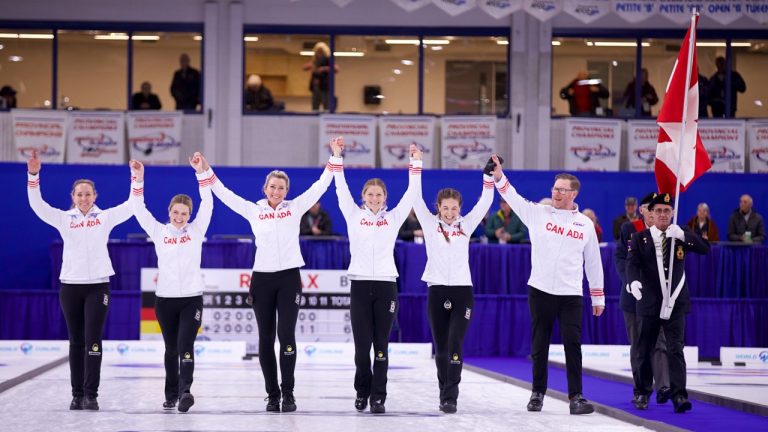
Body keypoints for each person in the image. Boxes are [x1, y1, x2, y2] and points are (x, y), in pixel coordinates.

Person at [195, 137, 343, 412]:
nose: (277, 191)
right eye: (273, 187)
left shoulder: (296, 208)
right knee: (265, 338)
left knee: (286, 336)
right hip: (262, 280)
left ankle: (288, 394)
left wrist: (335, 156)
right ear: (265, 188)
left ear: (287, 191)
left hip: (289, 278)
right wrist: (203, 170)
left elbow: (321, 185)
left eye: (281, 187)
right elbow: (224, 193)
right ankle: (272, 395)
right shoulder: (254, 210)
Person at [491, 156, 604, 415]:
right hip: (540, 290)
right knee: (539, 344)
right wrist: (499, 177)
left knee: (572, 344)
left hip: (570, 294)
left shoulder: (585, 225)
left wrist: (597, 297)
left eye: (562, 190)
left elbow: (593, 262)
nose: (556, 193)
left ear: (573, 193)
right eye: (554, 188)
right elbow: (514, 197)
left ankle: (576, 396)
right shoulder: (538, 214)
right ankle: (537, 393)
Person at [26, 150, 134, 411]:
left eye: (88, 194)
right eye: (79, 194)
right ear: (72, 198)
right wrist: (33, 175)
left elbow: (132, 206)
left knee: (93, 338)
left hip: (98, 286)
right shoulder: (65, 219)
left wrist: (137, 178)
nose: (84, 198)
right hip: (70, 286)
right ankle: (76, 394)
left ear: (95, 196)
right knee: (76, 340)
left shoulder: (104, 217)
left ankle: (91, 394)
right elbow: (37, 205)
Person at [334, 142, 421, 414]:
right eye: (370, 194)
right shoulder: (353, 214)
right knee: (362, 348)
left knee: (381, 346)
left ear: (385, 197)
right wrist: (337, 157)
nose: (374, 198)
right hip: (360, 284)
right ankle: (362, 391)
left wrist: (415, 164)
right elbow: (340, 188)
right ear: (363, 196)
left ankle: (378, 397)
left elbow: (412, 194)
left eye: (379, 195)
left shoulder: (393, 218)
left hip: (386, 285)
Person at [128, 154, 213, 413]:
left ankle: (186, 391)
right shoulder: (158, 232)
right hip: (164, 301)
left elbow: (208, 203)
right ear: (169, 213)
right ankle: (171, 393)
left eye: (184, 213)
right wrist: (138, 179)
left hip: (191, 299)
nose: (179, 216)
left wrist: (200, 172)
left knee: (186, 345)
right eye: (176, 212)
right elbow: (138, 208)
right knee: (170, 349)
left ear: (189, 214)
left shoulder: (197, 230)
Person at [411, 164, 494, 413]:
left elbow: (486, 201)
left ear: (460, 208)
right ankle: (443, 390)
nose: (449, 212)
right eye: (445, 208)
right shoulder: (428, 223)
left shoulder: (466, 225)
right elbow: (415, 196)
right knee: (442, 347)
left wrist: (488, 176)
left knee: (455, 342)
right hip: (437, 290)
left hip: (462, 292)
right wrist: (416, 165)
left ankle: (451, 397)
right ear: (438, 207)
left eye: (454, 208)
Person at [627, 193, 710, 412]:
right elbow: (632, 264)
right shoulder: (640, 238)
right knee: (644, 350)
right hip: (649, 304)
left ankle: (679, 396)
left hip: (675, 304)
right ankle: (642, 393)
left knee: (675, 350)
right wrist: (633, 281)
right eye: (658, 211)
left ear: (672, 213)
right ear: (650, 214)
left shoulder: (679, 235)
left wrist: (684, 234)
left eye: (666, 210)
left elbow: (704, 248)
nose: (663, 214)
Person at [615, 192, 671, 408]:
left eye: (658, 208)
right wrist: (630, 282)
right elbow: (620, 258)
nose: (654, 212)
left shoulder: (667, 233)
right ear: (643, 210)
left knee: (660, 342)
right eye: (650, 208)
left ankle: (664, 386)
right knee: (639, 345)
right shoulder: (629, 230)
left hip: (658, 298)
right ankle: (641, 391)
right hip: (633, 299)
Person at [303, 42, 339, 111]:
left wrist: (324, 69)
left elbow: (336, 68)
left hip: (324, 87)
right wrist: (312, 67)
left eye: (321, 52)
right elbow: (304, 67)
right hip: (315, 87)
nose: (319, 54)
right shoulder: (315, 61)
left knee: (326, 107)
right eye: (318, 52)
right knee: (315, 107)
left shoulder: (327, 60)